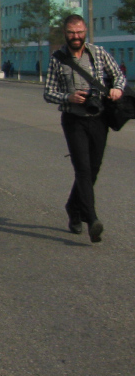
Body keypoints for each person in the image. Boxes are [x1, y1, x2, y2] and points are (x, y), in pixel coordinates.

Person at [42, 14, 126, 243]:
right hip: (73, 120)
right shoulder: (58, 59)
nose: (76, 36)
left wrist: (117, 89)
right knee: (83, 169)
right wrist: (68, 97)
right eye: (71, 32)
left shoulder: (98, 53)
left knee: (94, 169)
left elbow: (118, 76)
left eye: (79, 32)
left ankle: (73, 207)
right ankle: (92, 219)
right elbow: (48, 93)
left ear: (85, 31)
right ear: (65, 33)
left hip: (99, 119)